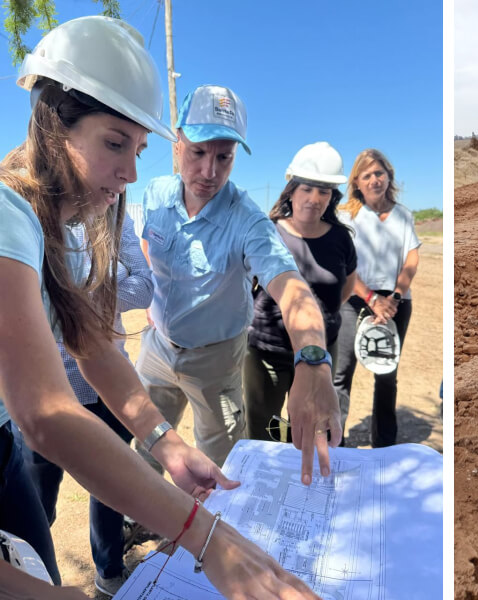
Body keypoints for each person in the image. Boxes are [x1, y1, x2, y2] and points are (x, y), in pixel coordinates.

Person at [0, 16, 322, 599]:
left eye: (137, 149)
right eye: (114, 143)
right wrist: (206, 536)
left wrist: (167, 443)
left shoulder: (64, 226)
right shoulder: (8, 215)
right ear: (53, 122)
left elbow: (91, 343)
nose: (128, 173)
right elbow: (43, 414)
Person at [136, 85, 340, 482]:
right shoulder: (156, 194)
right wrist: (151, 302)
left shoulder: (248, 221)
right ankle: (138, 511)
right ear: (177, 144)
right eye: (198, 152)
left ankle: (217, 518)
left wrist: (313, 360)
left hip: (214, 360)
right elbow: (148, 244)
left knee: (222, 459)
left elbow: (291, 289)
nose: (209, 172)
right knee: (147, 442)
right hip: (157, 347)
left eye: (223, 157)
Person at [14, 212, 151, 595]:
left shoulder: (114, 217)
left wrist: (70, 293)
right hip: (46, 393)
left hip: (109, 388)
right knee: (36, 502)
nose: (127, 183)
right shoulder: (26, 216)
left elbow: (143, 288)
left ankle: (109, 570)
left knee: (111, 488)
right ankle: (33, 579)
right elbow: (29, 294)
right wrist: (104, 288)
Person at [244, 142, 357, 441]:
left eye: (324, 192)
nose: (314, 199)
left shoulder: (341, 239)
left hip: (321, 352)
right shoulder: (268, 232)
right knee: (264, 429)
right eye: (307, 189)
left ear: (332, 197)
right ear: (291, 191)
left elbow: (348, 285)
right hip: (268, 352)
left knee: (311, 428)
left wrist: (321, 316)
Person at [333, 150, 421, 447]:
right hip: (354, 300)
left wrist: (395, 296)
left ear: (389, 176)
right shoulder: (345, 216)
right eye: (367, 175)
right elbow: (343, 264)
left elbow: (411, 259)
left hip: (396, 303)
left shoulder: (404, 215)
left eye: (379, 173)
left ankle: (384, 446)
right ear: (356, 182)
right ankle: (335, 442)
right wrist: (371, 298)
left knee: (386, 373)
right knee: (341, 373)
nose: (374, 180)